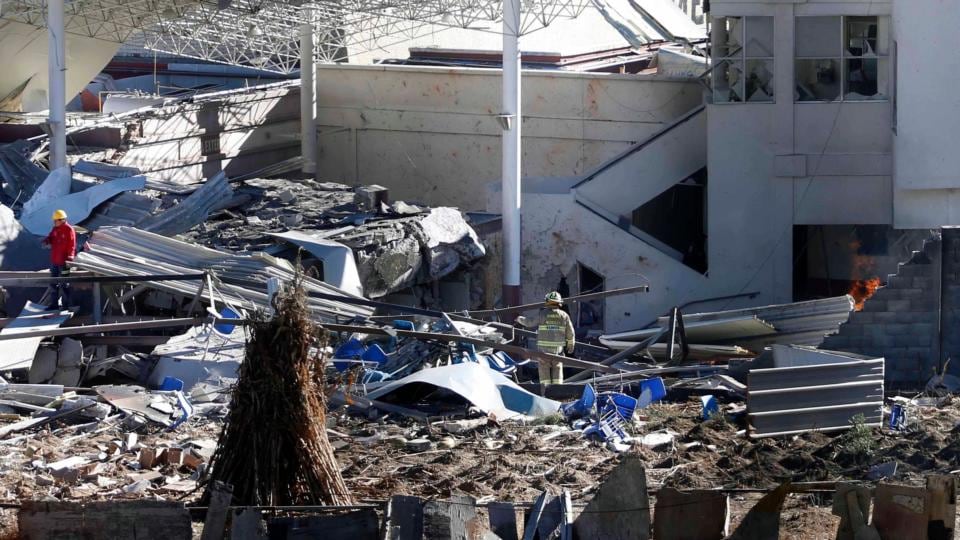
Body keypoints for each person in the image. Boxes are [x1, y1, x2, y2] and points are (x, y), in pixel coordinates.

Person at [517, 291, 575, 384]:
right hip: (558, 351)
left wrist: (519, 319)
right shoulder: (564, 316)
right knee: (558, 369)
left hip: (543, 351)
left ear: (547, 302)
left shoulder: (542, 314)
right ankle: (557, 390)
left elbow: (529, 322)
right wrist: (570, 345)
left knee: (544, 371)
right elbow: (570, 332)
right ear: (559, 303)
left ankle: (545, 390)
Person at [41, 209, 76, 310]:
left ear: (61, 220)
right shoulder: (55, 229)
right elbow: (51, 237)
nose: (54, 222)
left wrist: (70, 257)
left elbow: (72, 245)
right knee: (53, 283)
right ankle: (54, 305)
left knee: (64, 284)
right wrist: (46, 241)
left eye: (55, 220)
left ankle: (66, 306)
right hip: (55, 261)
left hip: (64, 262)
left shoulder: (69, 229)